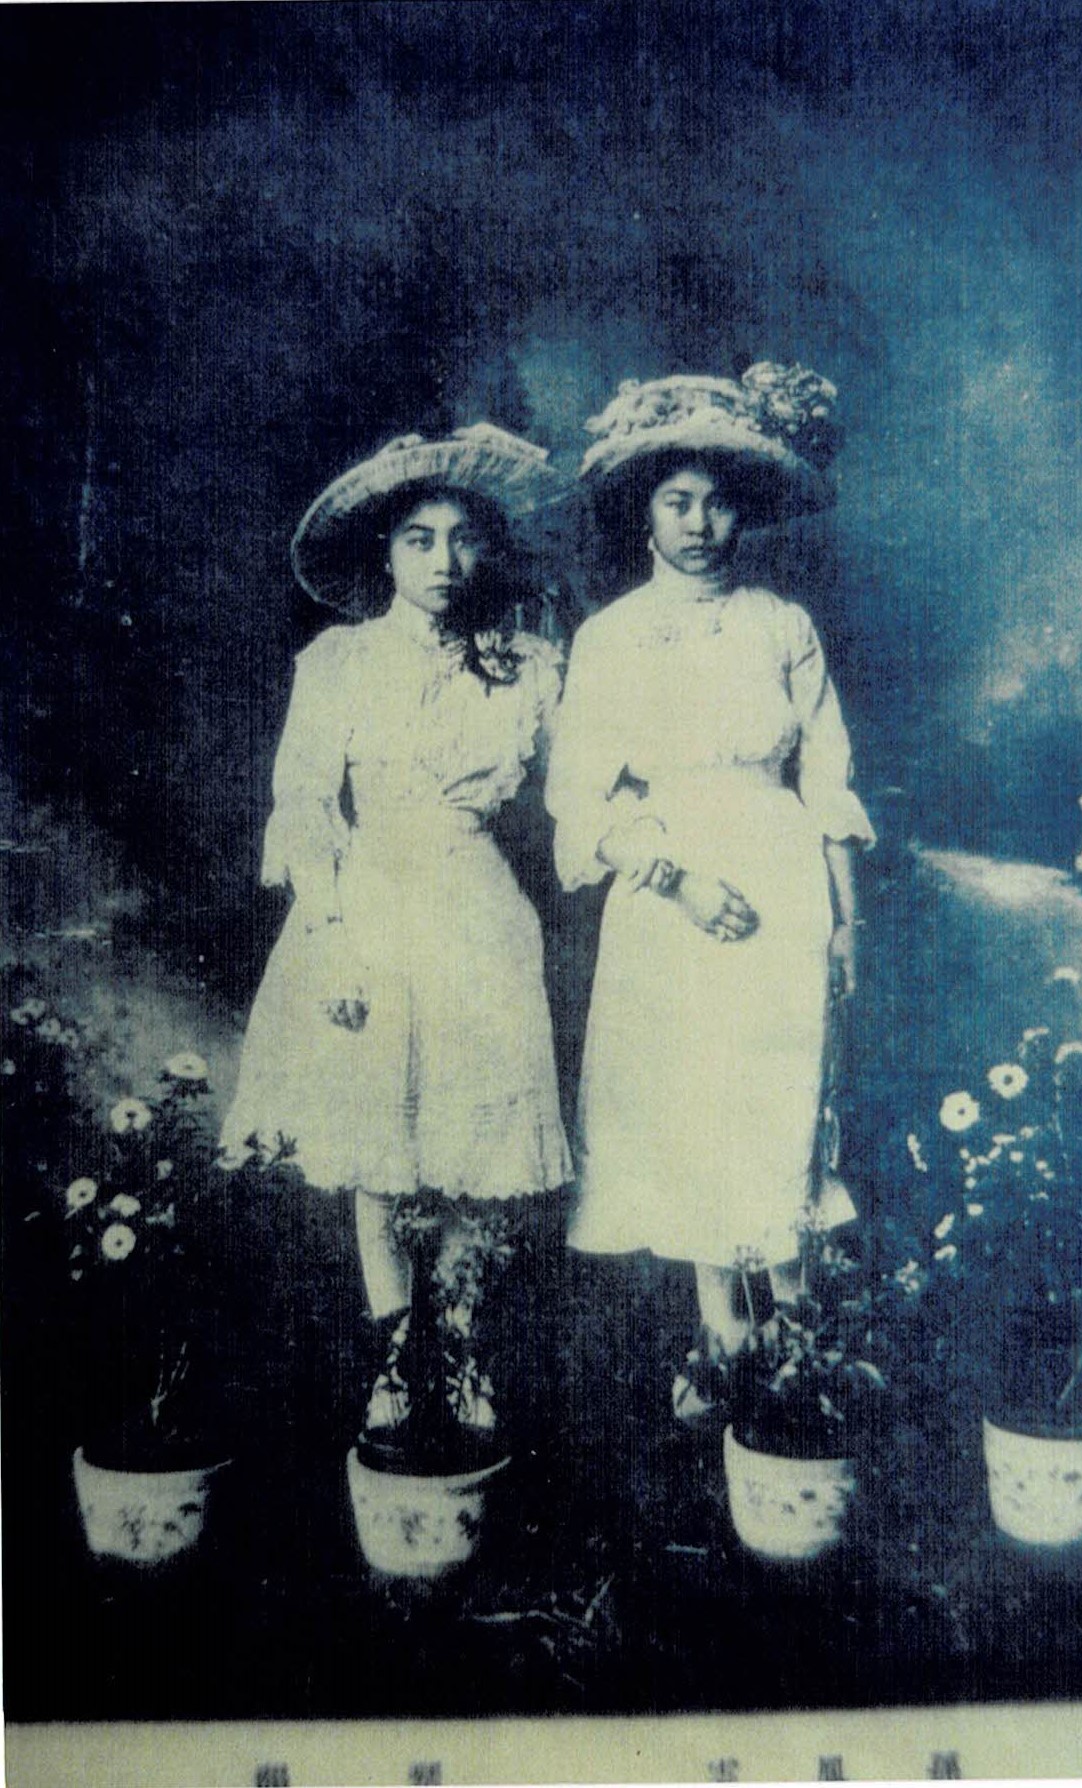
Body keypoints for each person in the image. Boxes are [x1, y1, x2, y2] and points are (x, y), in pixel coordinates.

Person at [221, 424, 572, 1453]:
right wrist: (330, 935)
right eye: (419, 540)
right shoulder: (339, 661)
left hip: (479, 911)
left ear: (486, 550)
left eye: (462, 540)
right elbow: (301, 801)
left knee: (471, 1138)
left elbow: (592, 779)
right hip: (368, 904)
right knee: (382, 1137)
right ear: (386, 552)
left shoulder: (530, 664)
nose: (443, 562)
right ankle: (393, 1354)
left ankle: (458, 1347)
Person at [544, 364, 875, 1413]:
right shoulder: (610, 637)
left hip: (783, 875)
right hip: (671, 886)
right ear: (644, 510)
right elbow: (579, 795)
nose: (699, 523)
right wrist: (677, 879)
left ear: (747, 510)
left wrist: (845, 919)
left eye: (717, 501)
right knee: (692, 1098)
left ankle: (800, 1346)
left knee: (777, 1095)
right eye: (677, 501)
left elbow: (826, 774)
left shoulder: (783, 623)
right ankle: (722, 1340)